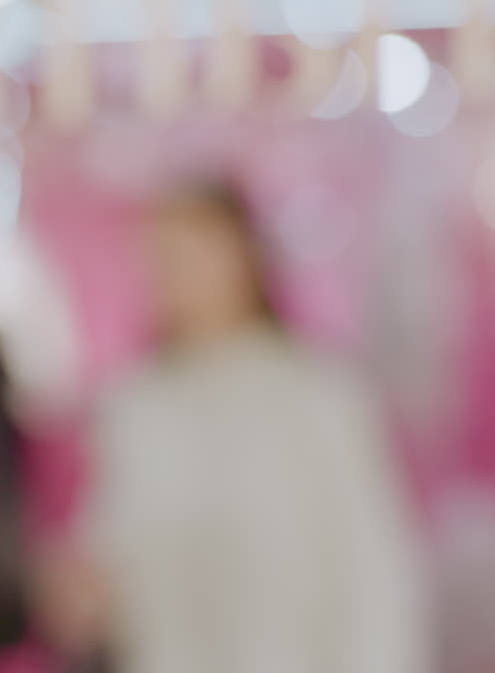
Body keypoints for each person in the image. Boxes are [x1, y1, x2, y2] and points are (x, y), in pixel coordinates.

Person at [64, 181, 429, 673]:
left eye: (197, 255)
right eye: (164, 257)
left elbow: (375, 570)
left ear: (246, 260)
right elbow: (110, 546)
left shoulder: (318, 394)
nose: (178, 275)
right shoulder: (135, 405)